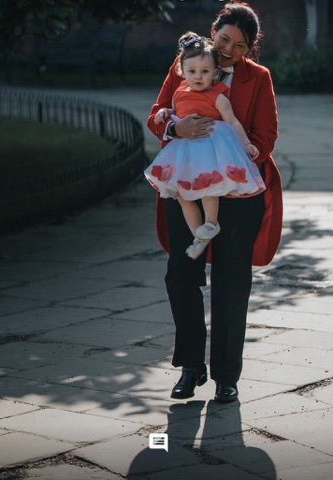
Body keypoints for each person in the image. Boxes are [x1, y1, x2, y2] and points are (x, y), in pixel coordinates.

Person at [147, 1, 283, 402]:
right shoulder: (185, 63)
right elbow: (158, 113)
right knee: (180, 273)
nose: (229, 50)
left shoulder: (258, 78)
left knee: (231, 281)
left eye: (240, 46)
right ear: (214, 30)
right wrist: (176, 127)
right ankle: (191, 368)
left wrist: (243, 155)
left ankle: (227, 376)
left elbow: (266, 133)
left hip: (238, 193)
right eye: (225, 38)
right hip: (186, 184)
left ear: (249, 49)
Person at [145, 31, 265, 260]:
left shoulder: (218, 95)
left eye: (205, 72)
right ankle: (199, 235)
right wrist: (165, 113)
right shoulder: (179, 92)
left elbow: (231, 121)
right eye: (192, 72)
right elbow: (173, 111)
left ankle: (211, 223)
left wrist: (247, 144)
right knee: (181, 193)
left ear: (214, 73)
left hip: (210, 148)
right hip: (184, 151)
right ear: (183, 72)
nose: (198, 76)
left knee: (208, 187)